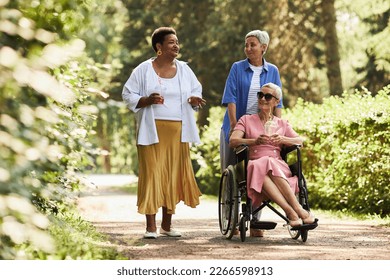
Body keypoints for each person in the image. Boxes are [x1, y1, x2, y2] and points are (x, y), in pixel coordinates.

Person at [122, 27, 206, 239]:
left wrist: (195, 100)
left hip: (178, 131)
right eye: (171, 42)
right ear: (159, 47)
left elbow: (196, 89)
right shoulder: (143, 69)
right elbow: (127, 93)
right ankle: (150, 227)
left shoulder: (185, 69)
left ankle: (167, 226)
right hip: (151, 132)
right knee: (152, 175)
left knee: (172, 176)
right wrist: (147, 100)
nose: (176, 45)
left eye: (177, 42)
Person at [220, 30, 282, 237]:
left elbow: (277, 102)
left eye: (252, 45)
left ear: (263, 47)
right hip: (238, 126)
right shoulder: (237, 68)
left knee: (260, 170)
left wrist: (279, 127)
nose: (248, 48)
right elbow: (231, 98)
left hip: (262, 129)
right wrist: (233, 128)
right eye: (246, 45)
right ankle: (231, 220)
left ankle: (255, 220)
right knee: (233, 173)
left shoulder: (272, 70)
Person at [229, 83, 316, 228]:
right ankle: (294, 210)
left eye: (267, 96)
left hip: (278, 167)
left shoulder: (282, 123)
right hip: (253, 164)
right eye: (260, 95)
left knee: (268, 163)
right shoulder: (246, 120)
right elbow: (233, 141)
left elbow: (301, 141)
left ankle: (293, 212)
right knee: (261, 164)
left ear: (276, 101)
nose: (263, 99)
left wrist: (283, 139)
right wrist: (254, 141)